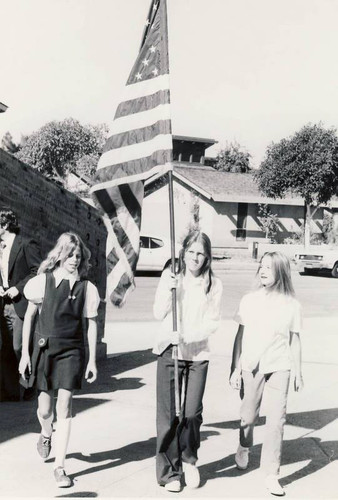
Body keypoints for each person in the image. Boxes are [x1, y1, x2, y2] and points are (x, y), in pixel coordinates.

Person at [19, 232, 100, 488]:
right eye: (70, 255)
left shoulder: (88, 288)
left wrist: (92, 360)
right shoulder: (42, 282)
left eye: (78, 256)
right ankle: (46, 433)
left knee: (64, 405)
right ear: (60, 255)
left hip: (72, 352)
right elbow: (30, 317)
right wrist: (24, 354)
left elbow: (92, 324)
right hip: (45, 349)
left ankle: (60, 466)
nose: (74, 260)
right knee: (45, 410)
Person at [153, 230, 223, 492]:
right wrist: (169, 290)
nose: (195, 257)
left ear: (207, 257)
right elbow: (157, 312)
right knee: (168, 415)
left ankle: (189, 459)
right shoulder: (171, 276)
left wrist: (187, 336)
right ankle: (170, 473)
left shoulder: (213, 284)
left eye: (200, 253)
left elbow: (213, 322)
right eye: (191, 251)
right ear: (183, 251)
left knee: (192, 413)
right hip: (169, 351)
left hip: (197, 354)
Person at [229, 251, 303, 496]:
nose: (262, 271)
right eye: (261, 266)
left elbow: (294, 340)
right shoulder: (249, 300)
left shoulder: (292, 305)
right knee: (248, 417)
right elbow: (239, 337)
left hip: (279, 365)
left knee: (276, 420)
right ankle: (244, 445)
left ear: (280, 272)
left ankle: (271, 473)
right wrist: (235, 368)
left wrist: (298, 371)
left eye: (269, 268)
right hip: (251, 365)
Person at [0, 208, 41, 401]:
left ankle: (30, 383)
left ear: (5, 225)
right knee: (6, 347)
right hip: (3, 303)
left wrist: (19, 287)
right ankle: (12, 391)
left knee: (18, 346)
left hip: (20, 303)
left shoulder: (25, 244)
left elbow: (37, 271)